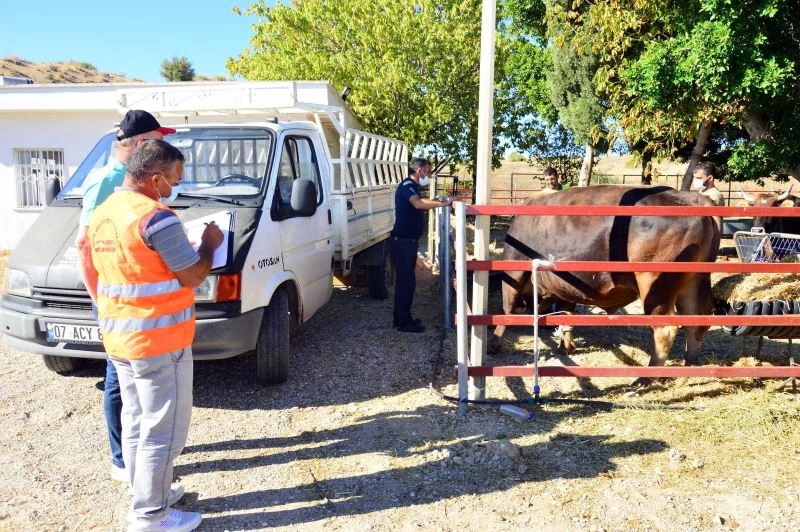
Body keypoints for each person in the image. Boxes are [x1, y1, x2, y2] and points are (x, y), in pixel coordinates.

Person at [86, 140, 223, 531]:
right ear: (157, 177)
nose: (175, 187)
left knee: (136, 420)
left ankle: (146, 491)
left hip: (120, 338)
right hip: (160, 342)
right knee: (163, 431)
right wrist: (209, 246)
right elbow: (193, 275)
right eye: (175, 179)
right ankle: (151, 515)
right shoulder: (156, 218)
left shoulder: (105, 212)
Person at [75, 110, 176, 484]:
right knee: (120, 380)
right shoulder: (111, 180)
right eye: (156, 140)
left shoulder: (135, 180)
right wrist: (100, 300)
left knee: (132, 380)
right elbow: (85, 244)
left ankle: (140, 453)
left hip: (131, 299)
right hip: (118, 301)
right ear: (137, 145)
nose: (163, 147)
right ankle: (121, 459)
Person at [390, 157, 452, 333]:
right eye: (429, 171)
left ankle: (403, 317)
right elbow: (418, 204)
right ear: (420, 171)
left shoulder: (412, 187)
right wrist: (443, 203)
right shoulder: (407, 186)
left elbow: (422, 205)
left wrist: (435, 201)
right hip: (403, 241)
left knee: (407, 281)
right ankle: (402, 322)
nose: (429, 175)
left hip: (407, 241)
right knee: (405, 283)